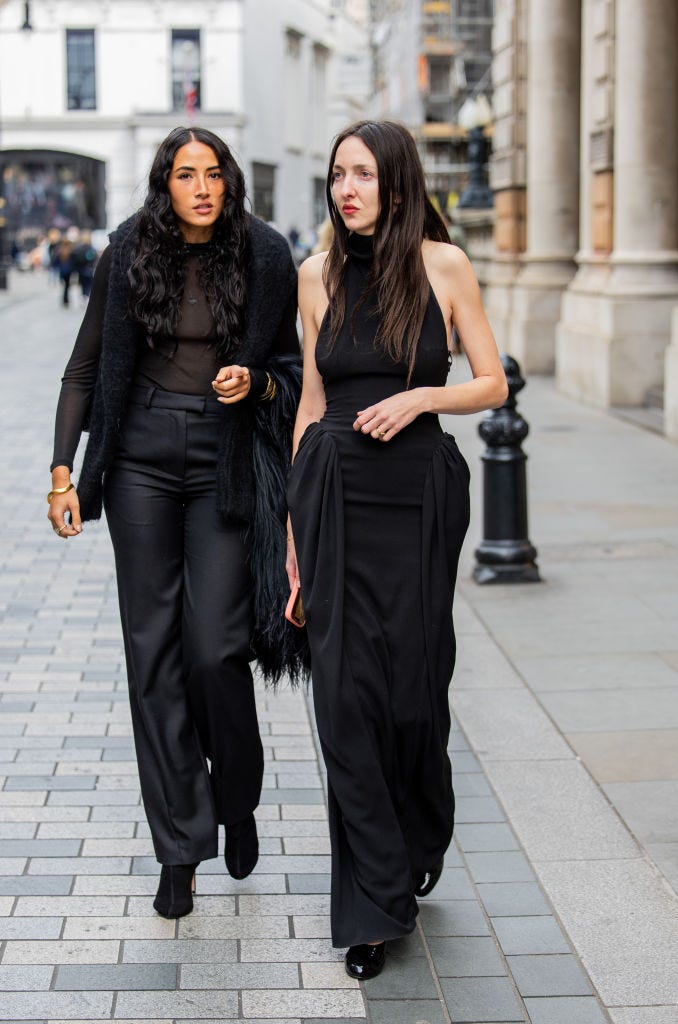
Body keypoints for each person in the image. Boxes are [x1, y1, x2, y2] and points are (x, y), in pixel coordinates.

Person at [48, 126, 305, 919]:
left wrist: (255, 381)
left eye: (213, 173)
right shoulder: (128, 249)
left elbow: (294, 373)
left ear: (230, 182)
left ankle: (237, 796)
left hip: (223, 460)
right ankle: (179, 848)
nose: (200, 186)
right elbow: (87, 365)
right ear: (165, 185)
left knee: (214, 649)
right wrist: (64, 470)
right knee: (151, 654)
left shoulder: (264, 255)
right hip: (140, 463)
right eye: (185, 174)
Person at [286, 120, 507, 979]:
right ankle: (374, 905)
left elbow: (490, 380)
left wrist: (420, 397)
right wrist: (295, 543)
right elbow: (309, 405)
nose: (348, 189)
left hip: (417, 496)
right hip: (334, 495)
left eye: (364, 174)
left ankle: (420, 828)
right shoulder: (316, 275)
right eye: (338, 174)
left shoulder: (442, 266)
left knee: (412, 694)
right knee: (344, 698)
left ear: (398, 183)